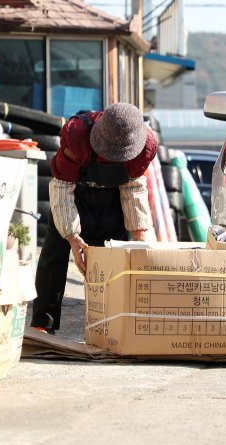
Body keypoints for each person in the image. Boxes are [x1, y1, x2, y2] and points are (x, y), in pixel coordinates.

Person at [31, 102, 158, 335]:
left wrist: (141, 232)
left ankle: (111, 325)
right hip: (75, 195)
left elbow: (133, 187)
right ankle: (43, 323)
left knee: (117, 259)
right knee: (53, 255)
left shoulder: (145, 146)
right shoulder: (76, 135)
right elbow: (61, 186)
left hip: (114, 200)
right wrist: (71, 235)